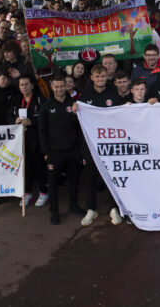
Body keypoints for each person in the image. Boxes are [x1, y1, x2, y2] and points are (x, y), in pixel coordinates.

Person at [77, 64, 123, 227]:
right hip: (90, 144)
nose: (100, 79)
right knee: (90, 177)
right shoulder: (84, 98)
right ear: (92, 78)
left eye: (103, 76)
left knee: (111, 177)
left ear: (107, 77)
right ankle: (91, 209)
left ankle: (113, 208)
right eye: (97, 76)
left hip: (109, 146)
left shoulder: (113, 96)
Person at [39, 73, 85, 225]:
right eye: (56, 87)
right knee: (52, 183)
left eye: (61, 86)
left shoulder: (74, 104)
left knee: (74, 180)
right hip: (54, 152)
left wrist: (80, 150)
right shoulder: (46, 106)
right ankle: (54, 211)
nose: (59, 89)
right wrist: (46, 152)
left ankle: (73, 205)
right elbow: (42, 131)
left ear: (67, 86)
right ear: (51, 87)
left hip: (72, 151)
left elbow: (80, 129)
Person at [12, 74, 48, 208]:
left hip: (37, 139)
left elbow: (45, 119)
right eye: (22, 85)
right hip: (22, 139)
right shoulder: (17, 100)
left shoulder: (40, 99)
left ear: (32, 85)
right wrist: (14, 121)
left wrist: (32, 121)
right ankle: (26, 192)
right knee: (25, 167)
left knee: (39, 165)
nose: (24, 87)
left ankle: (43, 192)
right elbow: (10, 115)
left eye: (27, 84)